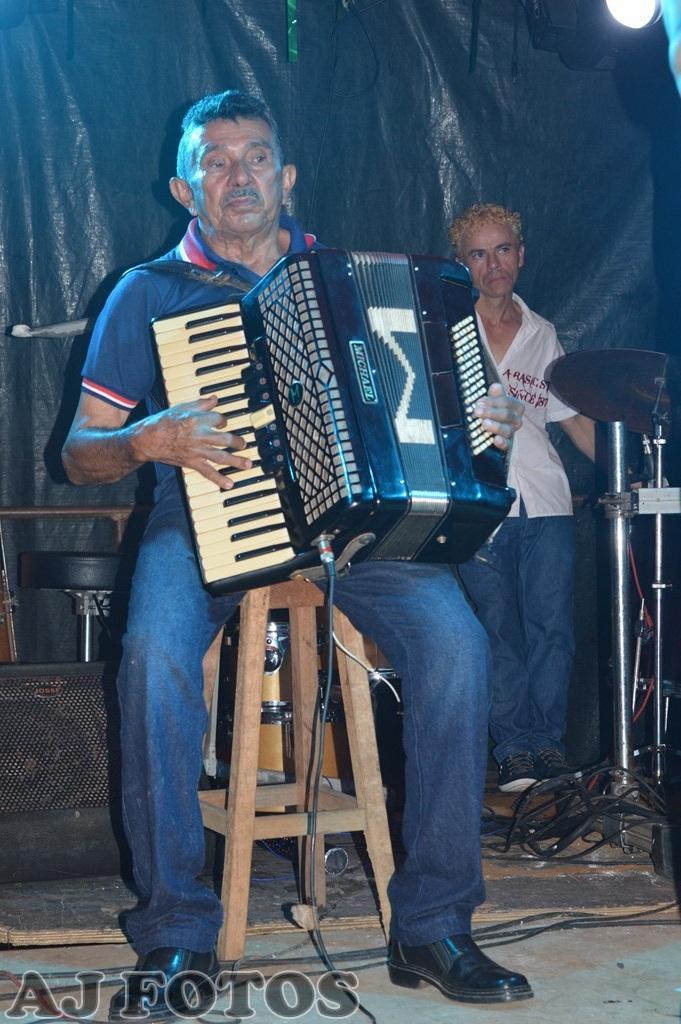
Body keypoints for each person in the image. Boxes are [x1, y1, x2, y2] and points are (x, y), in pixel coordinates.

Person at [62, 91, 530, 1018]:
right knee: (154, 658)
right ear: (184, 187)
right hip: (199, 520)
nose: (240, 175)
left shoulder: (350, 279)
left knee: (457, 648)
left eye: (257, 156)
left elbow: (450, 415)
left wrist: (487, 423)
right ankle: (175, 934)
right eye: (217, 160)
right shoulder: (148, 291)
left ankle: (433, 925)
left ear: (288, 175)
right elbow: (80, 452)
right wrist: (147, 439)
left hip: (348, 532)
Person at [450, 203, 595, 793]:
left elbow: (571, 419)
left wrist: (626, 469)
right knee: (496, 629)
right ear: (464, 265)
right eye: (479, 254)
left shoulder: (543, 334)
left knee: (552, 628)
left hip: (547, 500)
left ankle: (548, 749)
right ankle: (513, 749)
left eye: (503, 249)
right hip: (480, 502)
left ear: (521, 253)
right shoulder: (448, 328)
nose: (494, 264)